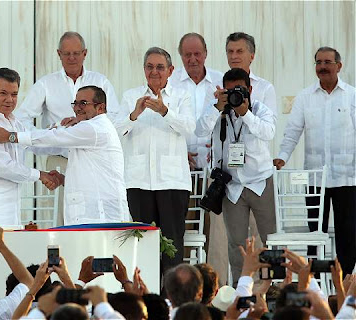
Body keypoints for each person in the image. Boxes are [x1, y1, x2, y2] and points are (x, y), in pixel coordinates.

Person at [0, 85, 129, 225]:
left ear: (101, 107)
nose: (77, 108)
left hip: (100, 214)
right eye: (75, 103)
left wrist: (10, 136)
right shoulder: (87, 128)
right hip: (93, 212)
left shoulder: (95, 128)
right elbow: (91, 172)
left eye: (83, 103)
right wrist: (64, 179)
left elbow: (52, 138)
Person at [15, 31, 120, 226]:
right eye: (67, 53)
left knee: (93, 214)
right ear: (58, 54)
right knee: (59, 220)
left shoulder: (101, 82)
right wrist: (53, 133)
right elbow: (22, 119)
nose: (71, 58)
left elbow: (114, 118)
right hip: (59, 160)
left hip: (93, 161)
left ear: (85, 53)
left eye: (76, 53)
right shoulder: (46, 83)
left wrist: (84, 125)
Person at [274, 46, 356, 274]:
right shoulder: (305, 97)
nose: (322, 67)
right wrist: (281, 157)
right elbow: (292, 131)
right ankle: (315, 282)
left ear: (339, 66)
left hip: (347, 177)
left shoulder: (351, 95)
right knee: (314, 234)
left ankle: (345, 281)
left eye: (328, 62)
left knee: (348, 234)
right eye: (318, 62)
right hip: (315, 178)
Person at [194, 68, 276, 285]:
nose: (234, 95)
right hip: (233, 187)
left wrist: (245, 113)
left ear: (249, 89)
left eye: (239, 90)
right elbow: (200, 131)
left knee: (270, 241)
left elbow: (269, 132)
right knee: (236, 243)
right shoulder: (218, 112)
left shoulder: (260, 109)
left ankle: (272, 288)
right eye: (229, 91)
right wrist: (217, 108)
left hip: (260, 182)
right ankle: (242, 288)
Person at [115, 47, 194, 271]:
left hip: (172, 182)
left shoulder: (181, 96)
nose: (154, 72)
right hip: (138, 181)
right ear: (144, 69)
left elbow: (189, 128)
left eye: (160, 67)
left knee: (172, 245)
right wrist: (134, 114)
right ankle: (144, 295)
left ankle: (170, 297)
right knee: (141, 245)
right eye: (150, 67)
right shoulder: (131, 96)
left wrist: (165, 111)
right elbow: (116, 131)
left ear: (170, 70)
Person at [0, 67, 58, 227]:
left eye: (14, 94)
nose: (9, 99)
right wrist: (40, 175)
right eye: (3, 93)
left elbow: (36, 144)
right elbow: (3, 167)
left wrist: (63, 133)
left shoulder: (15, 123)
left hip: (11, 213)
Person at [169, 33, 223, 171]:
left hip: (214, 165)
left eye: (197, 54)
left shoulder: (221, 80)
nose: (193, 59)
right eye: (187, 55)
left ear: (206, 53)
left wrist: (221, 146)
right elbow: (163, 121)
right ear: (180, 56)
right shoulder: (170, 82)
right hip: (179, 165)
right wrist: (178, 151)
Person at [225, 32, 277, 115]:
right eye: (230, 51)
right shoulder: (215, 86)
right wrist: (216, 107)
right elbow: (204, 127)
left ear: (252, 56)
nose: (233, 56)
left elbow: (269, 126)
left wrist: (245, 114)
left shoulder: (265, 88)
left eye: (239, 51)